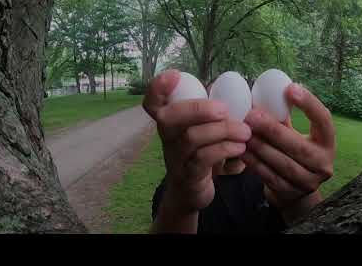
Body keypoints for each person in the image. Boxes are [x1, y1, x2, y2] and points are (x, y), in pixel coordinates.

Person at [143, 69, 335, 234]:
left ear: (254, 108)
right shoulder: (180, 184)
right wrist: (183, 203)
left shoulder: (276, 176)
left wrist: (299, 197)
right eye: (216, 107)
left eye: (239, 103)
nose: (229, 118)